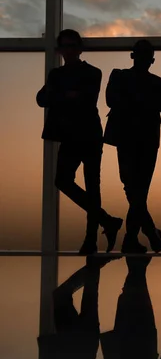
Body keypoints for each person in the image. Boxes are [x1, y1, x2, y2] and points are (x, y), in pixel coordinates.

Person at [36, 29, 122, 255]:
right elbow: (41, 99)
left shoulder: (93, 72)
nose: (69, 49)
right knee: (63, 181)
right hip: (69, 136)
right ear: (61, 49)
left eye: (73, 45)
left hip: (90, 135)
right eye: (65, 46)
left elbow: (85, 100)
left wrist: (60, 96)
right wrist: (67, 95)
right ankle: (106, 220)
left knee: (93, 186)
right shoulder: (56, 74)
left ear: (80, 48)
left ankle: (91, 240)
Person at [105, 39, 161, 254]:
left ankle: (133, 238)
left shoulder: (157, 83)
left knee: (137, 190)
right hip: (128, 138)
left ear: (151, 60)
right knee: (134, 189)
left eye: (145, 56)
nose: (143, 60)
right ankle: (147, 233)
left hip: (147, 140)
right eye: (140, 55)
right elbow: (111, 100)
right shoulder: (120, 76)